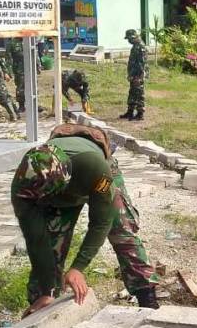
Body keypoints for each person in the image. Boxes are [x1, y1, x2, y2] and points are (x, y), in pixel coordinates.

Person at [11, 124, 160, 315]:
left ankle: (147, 297)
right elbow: (36, 240)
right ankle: (44, 305)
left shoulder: (97, 170)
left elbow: (102, 221)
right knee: (51, 241)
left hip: (94, 170)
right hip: (54, 187)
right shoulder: (23, 191)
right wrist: (47, 289)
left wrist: (78, 267)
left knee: (121, 229)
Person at [5, 38, 41, 114]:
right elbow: (8, 58)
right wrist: (8, 72)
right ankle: (21, 106)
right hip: (19, 70)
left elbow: (35, 53)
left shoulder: (31, 40)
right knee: (20, 88)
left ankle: (35, 105)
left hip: (31, 68)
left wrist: (38, 65)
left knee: (33, 86)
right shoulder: (11, 43)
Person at [120, 29, 149, 121]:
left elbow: (142, 64)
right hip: (133, 75)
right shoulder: (135, 46)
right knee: (132, 92)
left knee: (139, 93)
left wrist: (139, 76)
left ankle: (140, 114)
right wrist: (131, 74)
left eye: (129, 38)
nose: (128, 41)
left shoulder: (141, 46)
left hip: (138, 75)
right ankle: (130, 112)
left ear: (133, 37)